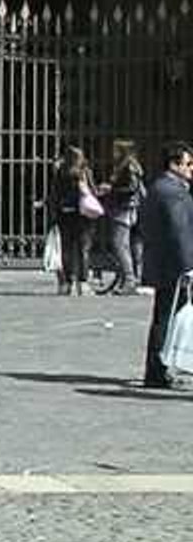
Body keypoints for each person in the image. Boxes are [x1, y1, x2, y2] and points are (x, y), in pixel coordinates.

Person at [138, 142, 193, 389]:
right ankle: (157, 370)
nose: (191, 168)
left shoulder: (159, 187)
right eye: (188, 164)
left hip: (164, 264)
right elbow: (179, 232)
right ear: (174, 164)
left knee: (164, 316)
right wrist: (188, 266)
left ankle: (158, 368)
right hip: (173, 267)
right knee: (167, 318)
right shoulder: (173, 192)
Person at [47, 145, 97, 296]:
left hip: (65, 213)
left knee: (66, 249)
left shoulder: (61, 172)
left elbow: (54, 194)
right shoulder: (84, 172)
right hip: (82, 214)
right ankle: (83, 283)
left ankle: (67, 283)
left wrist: (54, 212)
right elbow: (92, 191)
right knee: (83, 249)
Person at [101, 139, 145, 295]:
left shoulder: (128, 166)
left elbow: (131, 188)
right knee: (127, 245)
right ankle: (130, 278)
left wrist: (111, 189)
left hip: (124, 209)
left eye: (115, 150)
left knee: (120, 244)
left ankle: (129, 279)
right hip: (126, 208)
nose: (113, 153)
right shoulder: (127, 165)